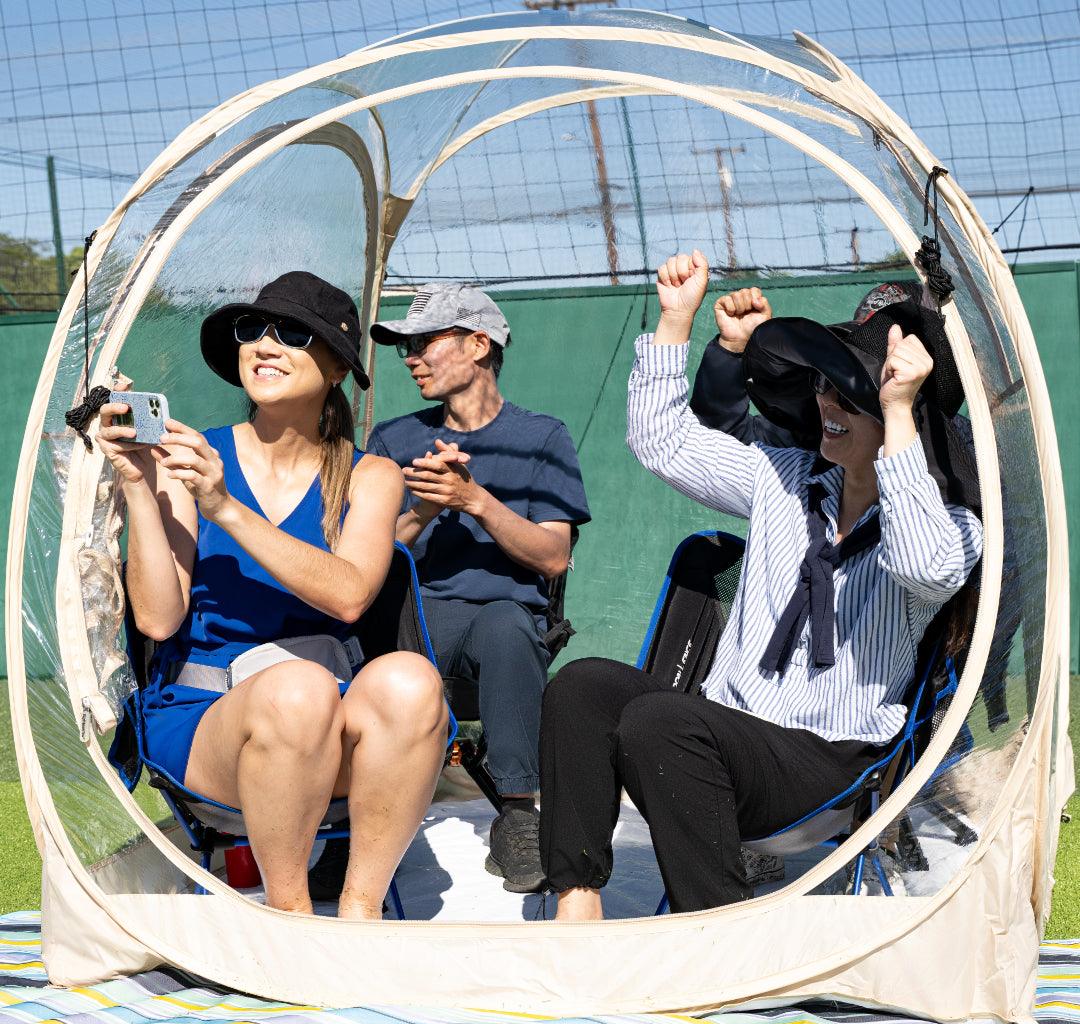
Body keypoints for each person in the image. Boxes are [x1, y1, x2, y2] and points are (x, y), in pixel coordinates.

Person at [539, 251, 983, 919]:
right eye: (825, 387)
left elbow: (923, 565)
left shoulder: (948, 527)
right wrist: (674, 321)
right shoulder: (782, 477)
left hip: (828, 759)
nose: (826, 403)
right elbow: (662, 442)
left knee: (664, 722)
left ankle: (716, 932)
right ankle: (577, 910)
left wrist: (896, 413)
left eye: (850, 395)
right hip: (731, 727)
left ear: (902, 418)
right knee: (582, 687)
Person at [97, 271, 448, 919]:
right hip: (211, 721)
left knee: (410, 682)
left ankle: (360, 910)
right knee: (296, 691)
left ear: (338, 368)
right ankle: (290, 918)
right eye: (251, 329)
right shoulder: (191, 458)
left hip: (326, 714)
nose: (264, 343)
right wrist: (139, 486)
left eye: (292, 333)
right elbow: (157, 615)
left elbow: (348, 597)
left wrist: (224, 507)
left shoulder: (370, 476)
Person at [363, 283, 591, 893]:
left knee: (509, 626)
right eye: (402, 347)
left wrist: (476, 501)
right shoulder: (392, 440)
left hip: (504, 618)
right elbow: (363, 558)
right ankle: (354, 823)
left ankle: (517, 816)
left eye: (423, 343)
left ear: (478, 344)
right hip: (418, 621)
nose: (409, 358)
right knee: (362, 649)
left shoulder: (542, 438)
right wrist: (424, 507)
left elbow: (553, 556)